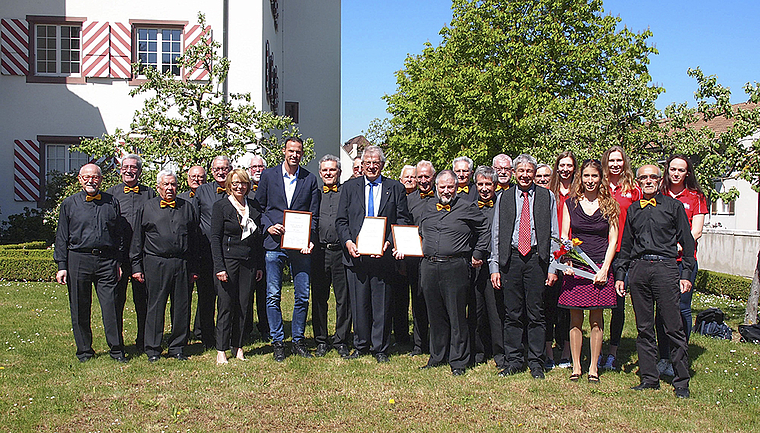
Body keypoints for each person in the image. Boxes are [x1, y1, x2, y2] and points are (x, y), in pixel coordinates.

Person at [615, 164, 694, 399]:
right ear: (638, 182)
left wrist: (686, 275)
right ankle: (650, 378)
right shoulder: (633, 210)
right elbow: (626, 246)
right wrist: (621, 275)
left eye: (652, 177)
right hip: (639, 269)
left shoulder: (674, 207)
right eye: (643, 178)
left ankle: (681, 381)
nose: (648, 181)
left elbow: (688, 244)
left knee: (673, 326)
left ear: (660, 181)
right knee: (644, 327)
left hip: (666, 268)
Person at [336, 145, 412, 362]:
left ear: (382, 165)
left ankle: (380, 348)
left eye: (375, 163)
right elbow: (341, 221)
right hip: (356, 256)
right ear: (362, 164)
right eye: (367, 163)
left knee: (382, 303)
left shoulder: (395, 188)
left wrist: (389, 242)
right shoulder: (349, 188)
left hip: (383, 257)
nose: (371, 166)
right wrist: (349, 242)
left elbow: (402, 219)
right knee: (359, 303)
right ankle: (360, 345)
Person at [490, 154, 559, 379]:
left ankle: (536, 362)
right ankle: (514, 360)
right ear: (514, 173)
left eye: (529, 171)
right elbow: (497, 233)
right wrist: (495, 267)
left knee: (536, 313)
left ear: (534, 173)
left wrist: (552, 266)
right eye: (521, 171)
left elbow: (554, 233)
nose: (525, 175)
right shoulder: (504, 197)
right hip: (512, 259)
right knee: (512, 313)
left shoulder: (546, 196)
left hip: (536, 260)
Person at [415, 170, 490, 376]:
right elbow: (419, 231)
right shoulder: (428, 207)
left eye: (450, 187)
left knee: (457, 315)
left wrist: (477, 252)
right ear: (436, 187)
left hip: (455, 266)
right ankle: (437, 356)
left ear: (456, 188)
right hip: (429, 266)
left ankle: (458, 361)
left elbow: (485, 228)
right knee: (435, 314)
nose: (446, 191)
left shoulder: (467, 208)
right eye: (442, 187)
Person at [254, 137, 320, 361]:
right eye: (291, 150)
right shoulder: (269, 176)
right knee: (273, 295)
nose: (294, 155)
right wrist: (268, 226)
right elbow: (259, 209)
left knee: (302, 295)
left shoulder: (309, 179)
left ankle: (298, 340)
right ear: (284, 151)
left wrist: (309, 238)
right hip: (274, 245)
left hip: (299, 246)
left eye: (298, 152)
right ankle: (278, 341)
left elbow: (314, 215)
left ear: (302, 154)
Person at [54, 164, 127, 363]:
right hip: (78, 259)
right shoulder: (69, 204)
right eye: (86, 177)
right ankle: (84, 351)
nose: (90, 180)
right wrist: (62, 265)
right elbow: (61, 236)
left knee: (111, 306)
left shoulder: (111, 202)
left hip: (107, 261)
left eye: (95, 177)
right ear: (79, 179)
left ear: (101, 180)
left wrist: (118, 261)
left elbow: (119, 235)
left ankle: (117, 350)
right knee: (79, 306)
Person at [556, 159, 619, 383]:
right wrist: (568, 262)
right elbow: (564, 236)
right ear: (580, 178)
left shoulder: (610, 204)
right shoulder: (570, 204)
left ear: (600, 178)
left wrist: (605, 269)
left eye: (594, 176)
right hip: (576, 267)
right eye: (586, 176)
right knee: (574, 319)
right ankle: (576, 366)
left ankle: (593, 367)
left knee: (596, 318)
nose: (590, 181)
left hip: (599, 267)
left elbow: (613, 240)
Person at [130, 169, 200, 362]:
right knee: (155, 306)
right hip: (155, 262)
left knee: (181, 307)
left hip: (182, 263)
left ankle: (177, 347)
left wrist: (194, 268)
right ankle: (152, 348)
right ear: (158, 186)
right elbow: (137, 240)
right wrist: (136, 267)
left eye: (173, 184)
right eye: (166, 184)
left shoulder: (187, 207)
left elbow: (194, 241)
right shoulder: (146, 208)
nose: (170, 188)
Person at [655, 154, 708, 377]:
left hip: (683, 260)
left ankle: (680, 353)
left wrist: (678, 245)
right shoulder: (659, 194)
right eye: (673, 169)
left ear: (688, 173)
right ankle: (664, 355)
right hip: (660, 261)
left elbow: (696, 230)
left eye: (681, 170)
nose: (676, 174)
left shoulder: (696, 197)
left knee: (682, 307)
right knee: (661, 310)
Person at [211, 169, 264, 364]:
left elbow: (257, 240)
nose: (239, 186)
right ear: (229, 185)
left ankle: (238, 346)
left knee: (243, 305)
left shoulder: (254, 207)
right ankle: (221, 349)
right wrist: (219, 267)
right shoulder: (221, 206)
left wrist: (258, 265)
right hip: (228, 261)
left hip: (248, 263)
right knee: (225, 305)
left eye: (243, 183)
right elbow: (215, 238)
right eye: (235, 183)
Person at [107, 154, 156, 353]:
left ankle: (144, 340)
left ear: (140, 171)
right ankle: (117, 342)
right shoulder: (110, 195)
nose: (129, 170)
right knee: (116, 301)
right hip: (118, 256)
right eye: (125, 167)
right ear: (120, 170)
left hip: (143, 256)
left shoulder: (150, 193)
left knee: (143, 301)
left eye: (133, 167)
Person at [599, 145, 641, 371]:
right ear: (606, 163)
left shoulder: (633, 189)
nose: (615, 164)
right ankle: (597, 347)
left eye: (619, 160)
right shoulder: (600, 186)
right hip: (601, 250)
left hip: (625, 252)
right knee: (597, 304)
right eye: (611, 161)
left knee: (618, 303)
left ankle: (613, 352)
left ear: (624, 163)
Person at [311, 155, 352, 358]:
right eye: (325, 170)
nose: (328, 173)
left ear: (339, 172)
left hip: (341, 253)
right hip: (319, 253)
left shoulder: (347, 194)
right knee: (319, 297)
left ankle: (341, 339)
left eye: (332, 170)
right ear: (320, 173)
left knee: (344, 299)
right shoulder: (314, 194)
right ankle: (320, 339)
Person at [194, 156, 233, 349]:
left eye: (224, 168)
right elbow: (195, 220)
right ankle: (207, 337)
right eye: (217, 168)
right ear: (211, 170)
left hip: (230, 253)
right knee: (206, 296)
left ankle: (226, 335)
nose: (221, 172)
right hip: (206, 253)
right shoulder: (202, 191)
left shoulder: (236, 189)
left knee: (226, 297)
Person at [471, 166, 505, 368]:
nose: (484, 188)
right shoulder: (468, 206)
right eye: (480, 184)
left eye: (488, 184)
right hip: (475, 266)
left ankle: (499, 352)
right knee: (476, 310)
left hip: (495, 266)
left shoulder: (501, 206)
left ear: (495, 185)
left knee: (496, 311)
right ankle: (478, 352)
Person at [546, 151, 576, 369]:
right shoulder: (548, 192)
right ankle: (548, 350)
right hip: (550, 250)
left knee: (567, 304)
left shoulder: (580, 192)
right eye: (562, 165)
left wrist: (570, 254)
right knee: (548, 302)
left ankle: (566, 349)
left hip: (573, 252)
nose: (565, 169)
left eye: (569, 165)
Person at [405, 160, 436, 357]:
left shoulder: (443, 197)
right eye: (420, 177)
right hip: (415, 259)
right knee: (417, 302)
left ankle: (438, 342)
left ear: (433, 177)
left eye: (427, 176)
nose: (423, 180)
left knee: (436, 302)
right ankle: (419, 344)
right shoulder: (408, 200)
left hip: (436, 258)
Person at [245, 155, 270, 342]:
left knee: (264, 291)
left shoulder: (269, 188)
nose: (258, 169)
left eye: (261, 166)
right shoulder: (243, 191)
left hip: (266, 244)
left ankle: (265, 327)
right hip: (248, 246)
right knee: (246, 290)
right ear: (249, 169)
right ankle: (245, 328)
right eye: (254, 166)